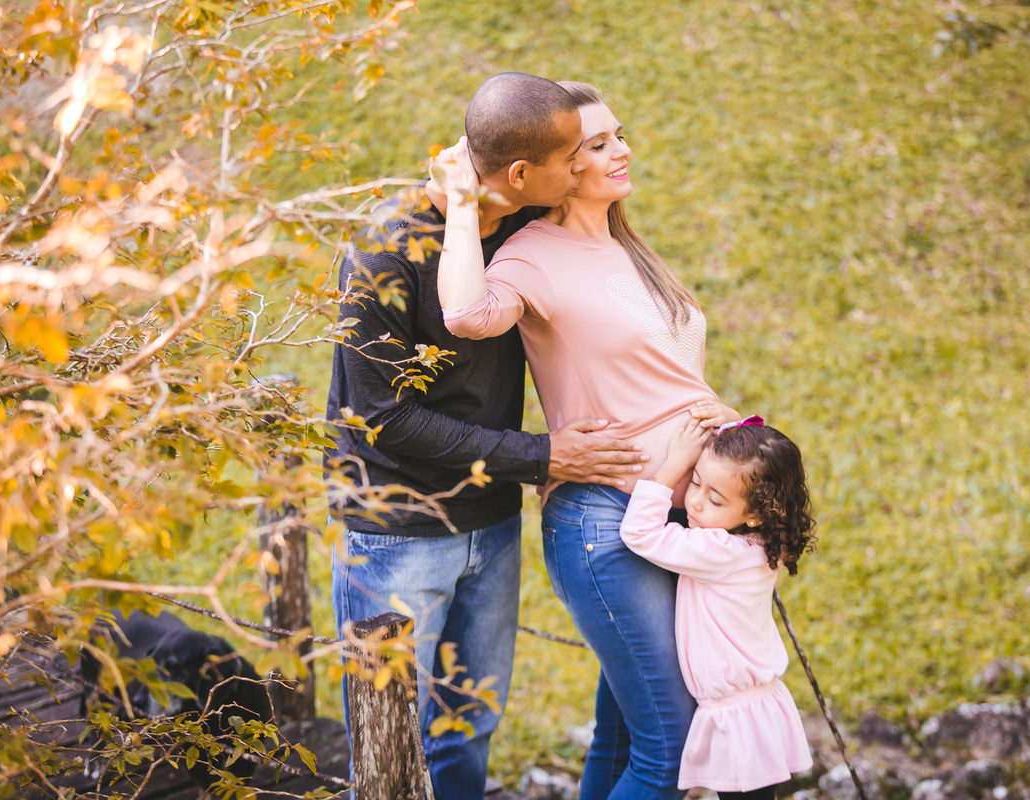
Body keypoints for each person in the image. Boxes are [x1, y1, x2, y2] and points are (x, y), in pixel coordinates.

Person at [326, 73, 649, 800]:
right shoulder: (382, 253)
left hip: (490, 519)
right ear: (520, 175)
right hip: (394, 530)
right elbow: (383, 418)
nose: (586, 167)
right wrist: (543, 456)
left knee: (469, 724)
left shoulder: (526, 232)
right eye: (574, 156)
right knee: (388, 744)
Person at [434, 82, 740, 799]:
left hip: (672, 511)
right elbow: (466, 314)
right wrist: (457, 201)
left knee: (627, 734)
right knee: (674, 744)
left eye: (619, 135)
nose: (621, 151)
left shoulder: (627, 247)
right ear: (564, 167)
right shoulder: (532, 253)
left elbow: (662, 374)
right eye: (596, 145)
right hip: (605, 520)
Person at [619, 416, 816, 799]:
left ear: (754, 514)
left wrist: (675, 464)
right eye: (695, 481)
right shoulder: (757, 547)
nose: (694, 501)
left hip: (737, 719)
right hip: (753, 710)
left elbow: (639, 533)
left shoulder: (718, 551)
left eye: (715, 499)